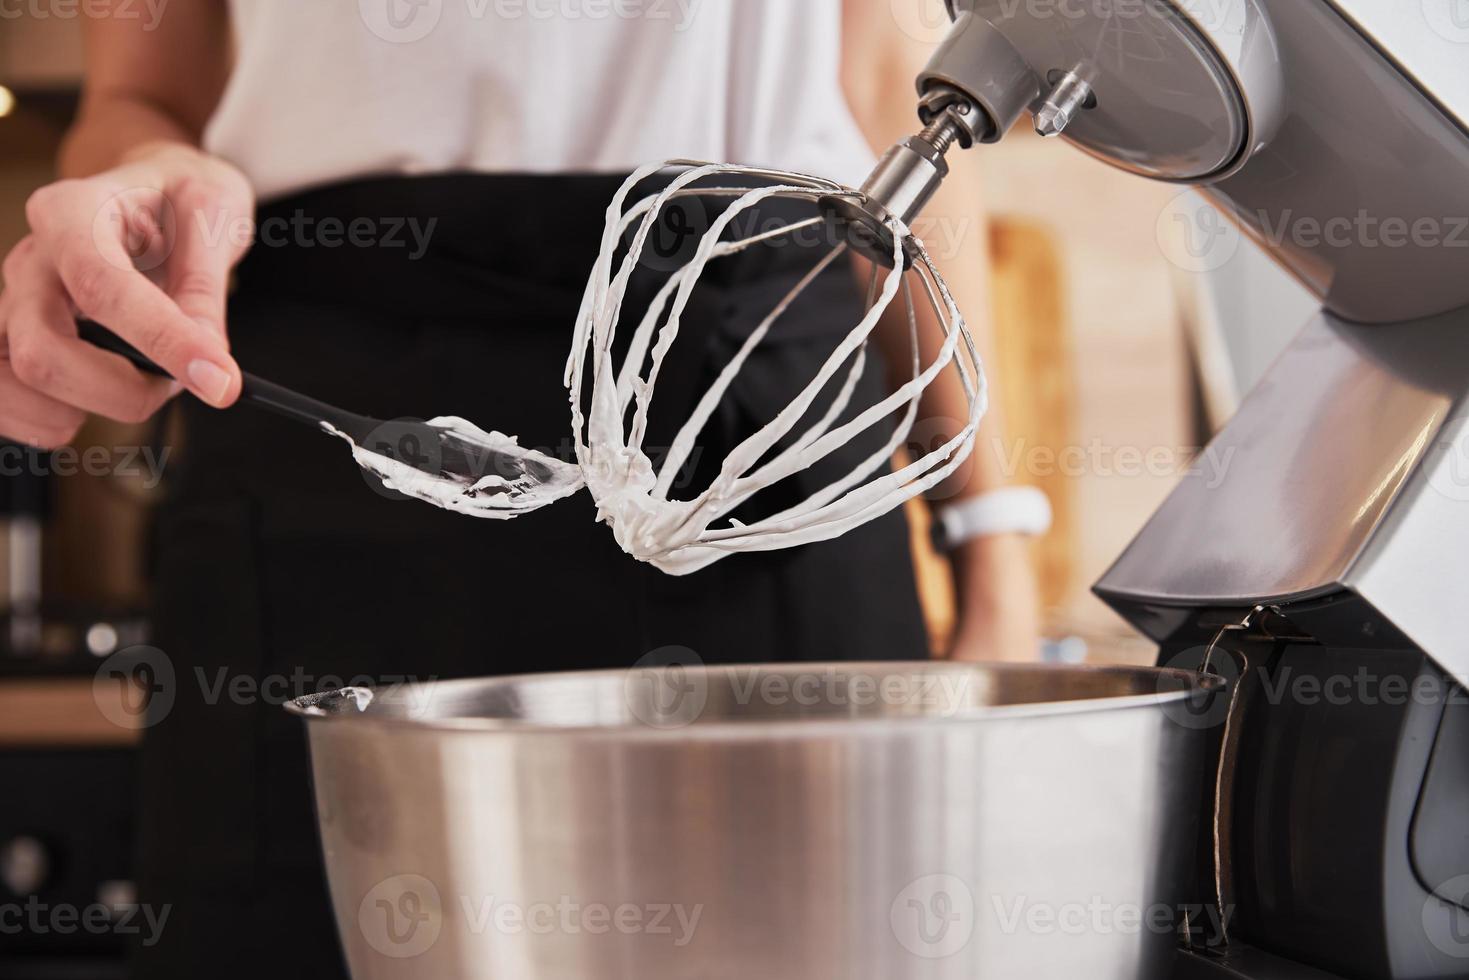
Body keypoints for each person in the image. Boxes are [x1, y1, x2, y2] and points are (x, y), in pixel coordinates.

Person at [0, 1, 1040, 975]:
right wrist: (142, 178)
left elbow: (889, 100)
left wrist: (991, 544)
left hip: (751, 421)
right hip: (332, 435)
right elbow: (142, 99)